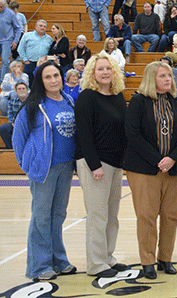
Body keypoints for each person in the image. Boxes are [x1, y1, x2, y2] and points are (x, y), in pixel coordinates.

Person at [123, 61, 177, 279]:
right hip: (145, 169)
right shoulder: (138, 101)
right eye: (162, 76)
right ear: (151, 78)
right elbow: (132, 134)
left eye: (169, 76)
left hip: (173, 169)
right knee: (147, 216)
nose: (167, 79)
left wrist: (172, 158)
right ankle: (147, 261)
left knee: (171, 216)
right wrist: (158, 159)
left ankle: (165, 258)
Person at [12, 61, 78, 281]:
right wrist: (27, 164)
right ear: (41, 81)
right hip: (44, 169)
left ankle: (59, 260)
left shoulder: (69, 101)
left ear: (62, 77)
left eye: (56, 76)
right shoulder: (34, 105)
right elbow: (18, 138)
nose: (53, 80)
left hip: (66, 166)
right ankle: (39, 266)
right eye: (47, 77)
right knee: (41, 217)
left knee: (58, 215)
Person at [73, 53, 127, 278]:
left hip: (115, 165)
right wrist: (95, 165)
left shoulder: (117, 96)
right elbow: (84, 134)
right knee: (97, 215)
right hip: (94, 164)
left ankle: (107, 257)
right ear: (92, 73)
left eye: (108, 68)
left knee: (112, 214)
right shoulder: (87, 97)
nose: (105, 72)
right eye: (100, 69)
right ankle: (96, 263)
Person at [18, 20, 52, 84]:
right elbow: (20, 49)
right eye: (40, 26)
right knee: (29, 84)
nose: (42, 28)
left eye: (44, 26)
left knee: (42, 83)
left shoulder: (49, 38)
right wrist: (25, 60)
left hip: (43, 64)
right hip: (30, 63)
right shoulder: (27, 36)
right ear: (36, 26)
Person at [0, 81, 28, 148]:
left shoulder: (32, 102)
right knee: (3, 128)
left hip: (28, 125)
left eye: (23, 88)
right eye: (19, 89)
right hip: (15, 124)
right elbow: (10, 115)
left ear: (27, 90)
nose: (21, 90)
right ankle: (11, 148)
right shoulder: (12, 101)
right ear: (16, 91)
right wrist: (13, 122)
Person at [0, 0, 22, 79]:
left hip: (7, 40)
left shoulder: (10, 13)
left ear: (5, 5)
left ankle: (4, 80)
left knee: (5, 61)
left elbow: (18, 28)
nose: (0, 8)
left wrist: (15, 41)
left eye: (1, 7)